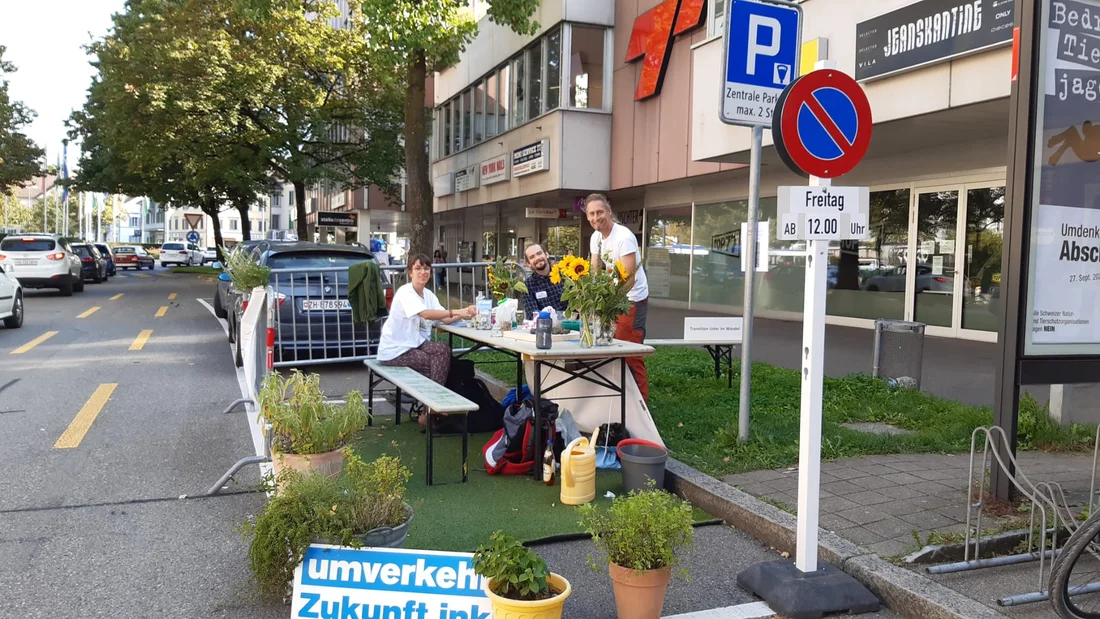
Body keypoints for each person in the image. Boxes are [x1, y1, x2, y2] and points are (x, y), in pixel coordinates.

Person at [378, 254, 476, 426]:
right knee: (435, 364)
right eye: (418, 268)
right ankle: (430, 410)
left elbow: (443, 319)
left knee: (443, 350)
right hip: (395, 350)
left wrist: (466, 314)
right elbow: (425, 314)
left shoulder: (428, 295)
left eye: (426, 268)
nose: (422, 272)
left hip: (416, 344)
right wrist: (457, 311)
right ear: (410, 272)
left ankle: (430, 408)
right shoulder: (405, 293)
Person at [586, 193, 650, 400]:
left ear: (608, 211)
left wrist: (608, 305)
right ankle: (618, 400)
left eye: (599, 212)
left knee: (630, 352)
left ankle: (641, 406)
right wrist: (592, 298)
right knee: (608, 348)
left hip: (632, 298)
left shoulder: (624, 236)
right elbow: (595, 271)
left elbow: (629, 279)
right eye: (591, 214)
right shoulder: (596, 237)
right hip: (613, 298)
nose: (596, 218)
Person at [522, 243, 567, 320]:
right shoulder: (528, 286)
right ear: (528, 264)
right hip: (545, 328)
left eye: (539, 253)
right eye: (532, 257)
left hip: (571, 326)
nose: (537, 258)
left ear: (546, 254)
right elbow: (533, 315)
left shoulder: (565, 275)